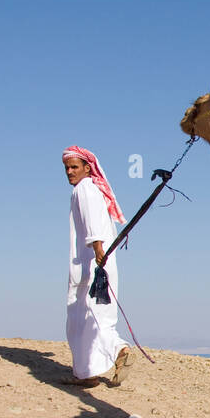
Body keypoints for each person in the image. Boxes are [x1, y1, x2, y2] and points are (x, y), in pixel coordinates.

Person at [62, 145, 132, 386]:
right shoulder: (92, 189)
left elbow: (92, 224)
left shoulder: (85, 189)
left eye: (74, 167)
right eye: (67, 168)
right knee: (93, 316)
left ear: (87, 168)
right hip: (98, 262)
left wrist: (98, 249)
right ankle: (87, 373)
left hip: (90, 264)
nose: (70, 172)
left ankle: (118, 350)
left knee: (87, 318)